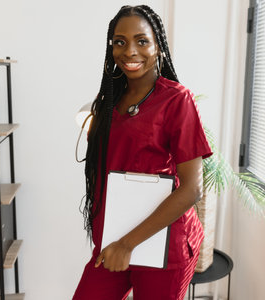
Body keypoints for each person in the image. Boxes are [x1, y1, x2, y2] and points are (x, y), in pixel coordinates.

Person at [72, 5, 212, 300]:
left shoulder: (177, 100)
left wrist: (128, 244)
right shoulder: (108, 98)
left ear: (158, 46)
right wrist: (116, 242)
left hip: (164, 244)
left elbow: (192, 189)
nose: (129, 51)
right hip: (116, 237)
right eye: (120, 42)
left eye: (142, 41)